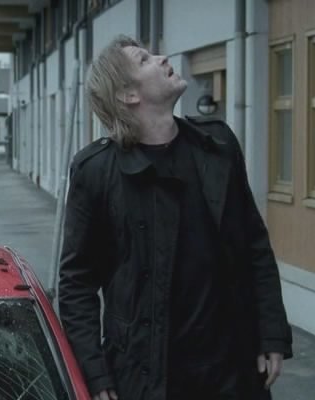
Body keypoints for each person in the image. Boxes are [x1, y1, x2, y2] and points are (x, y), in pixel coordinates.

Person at [58, 35, 292, 400]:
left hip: (232, 370)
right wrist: (95, 374)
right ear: (128, 94)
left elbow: (254, 245)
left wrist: (271, 332)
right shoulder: (97, 171)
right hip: (147, 375)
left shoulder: (217, 146)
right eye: (144, 59)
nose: (162, 57)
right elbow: (77, 283)